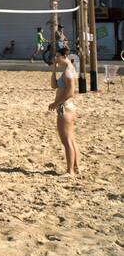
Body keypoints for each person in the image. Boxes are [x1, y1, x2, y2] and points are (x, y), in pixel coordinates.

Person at [48, 45, 79, 175]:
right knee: (71, 140)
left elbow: (71, 92)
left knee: (67, 141)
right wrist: (54, 69)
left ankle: (70, 171)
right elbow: (54, 85)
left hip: (65, 108)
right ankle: (76, 168)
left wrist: (56, 103)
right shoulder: (66, 69)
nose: (56, 59)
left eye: (57, 57)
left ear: (64, 56)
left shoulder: (68, 71)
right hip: (67, 107)